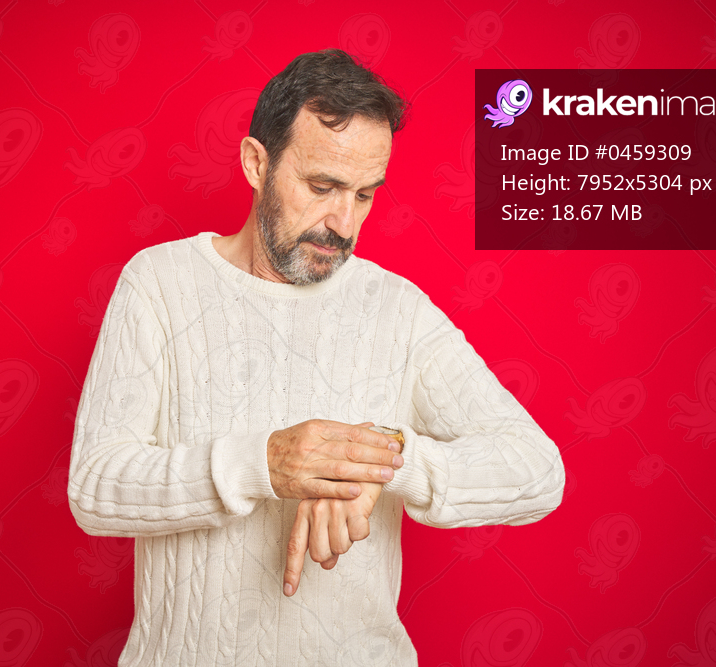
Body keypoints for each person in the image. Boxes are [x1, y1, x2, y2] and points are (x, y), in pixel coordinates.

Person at [67, 49, 565, 666]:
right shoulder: (159, 284)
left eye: (365, 195)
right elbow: (94, 489)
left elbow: (539, 471)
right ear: (257, 163)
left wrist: (379, 461)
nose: (343, 222)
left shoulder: (398, 309)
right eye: (322, 186)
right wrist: (264, 464)